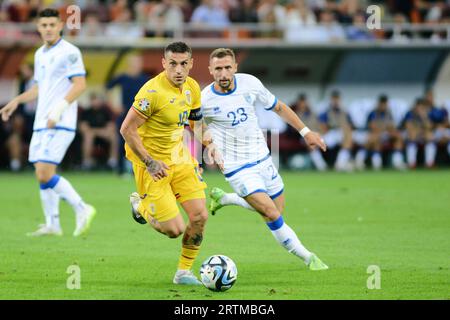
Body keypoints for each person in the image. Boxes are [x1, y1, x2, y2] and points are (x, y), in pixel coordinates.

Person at [202, 48, 329, 271]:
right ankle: (310, 258)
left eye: (227, 67)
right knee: (270, 214)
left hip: (262, 158)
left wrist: (306, 132)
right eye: (218, 68)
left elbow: (278, 107)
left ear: (235, 67)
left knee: (276, 210)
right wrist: (209, 144)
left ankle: (224, 199)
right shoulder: (204, 99)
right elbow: (195, 124)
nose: (223, 73)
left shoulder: (250, 83)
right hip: (236, 167)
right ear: (211, 70)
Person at [120, 42, 215, 285]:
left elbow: (195, 122)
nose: (178, 70)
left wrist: (208, 144)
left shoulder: (192, 87)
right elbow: (127, 129)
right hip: (151, 163)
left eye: (184, 64)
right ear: (164, 64)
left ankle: (183, 272)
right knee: (173, 229)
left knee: (200, 216)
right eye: (173, 64)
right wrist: (150, 163)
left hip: (180, 157)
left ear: (191, 64)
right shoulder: (151, 93)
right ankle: (139, 206)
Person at [0, 8, 96, 237]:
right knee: (40, 171)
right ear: (38, 27)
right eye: (44, 25)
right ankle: (52, 223)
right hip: (42, 121)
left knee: (44, 172)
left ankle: (82, 207)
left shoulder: (70, 52)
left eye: (52, 25)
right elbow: (39, 87)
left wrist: (59, 110)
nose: (48, 29)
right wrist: (17, 100)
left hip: (60, 121)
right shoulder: (39, 54)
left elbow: (80, 84)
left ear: (61, 25)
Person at [106, 54, 148, 175]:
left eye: (138, 63)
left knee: (140, 141)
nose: (136, 65)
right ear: (129, 64)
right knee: (121, 141)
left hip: (140, 116)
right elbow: (107, 88)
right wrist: (113, 105)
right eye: (134, 63)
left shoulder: (144, 79)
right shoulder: (123, 78)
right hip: (125, 114)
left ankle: (139, 169)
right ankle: (120, 168)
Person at [365, 95, 406, 170]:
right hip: (376, 135)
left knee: (398, 138)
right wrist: (384, 126)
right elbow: (373, 127)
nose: (384, 106)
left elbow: (392, 126)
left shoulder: (388, 113)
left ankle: (397, 163)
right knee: (375, 139)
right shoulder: (373, 113)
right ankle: (376, 164)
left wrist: (384, 127)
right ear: (379, 104)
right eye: (382, 104)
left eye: (385, 104)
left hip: (386, 134)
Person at [79, 93, 118, 170]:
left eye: (97, 100)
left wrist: (96, 131)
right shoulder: (86, 112)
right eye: (93, 100)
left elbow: (111, 126)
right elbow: (83, 127)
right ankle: (87, 162)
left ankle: (113, 161)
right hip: (91, 135)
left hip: (104, 135)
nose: (95, 102)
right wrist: (96, 132)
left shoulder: (106, 111)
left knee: (114, 136)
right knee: (88, 136)